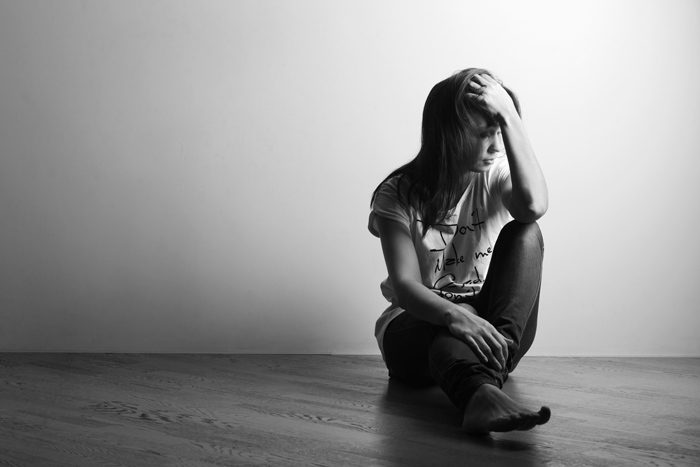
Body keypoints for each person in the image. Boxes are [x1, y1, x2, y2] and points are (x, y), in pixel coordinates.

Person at [368, 67, 551, 434]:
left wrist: (510, 114)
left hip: (492, 331)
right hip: (413, 329)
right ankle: (480, 392)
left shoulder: (496, 175)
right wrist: (455, 314)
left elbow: (532, 207)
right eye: (485, 135)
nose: (496, 146)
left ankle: (484, 378)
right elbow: (406, 286)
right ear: (448, 134)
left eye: (500, 132)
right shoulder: (397, 193)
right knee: (452, 320)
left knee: (526, 232)